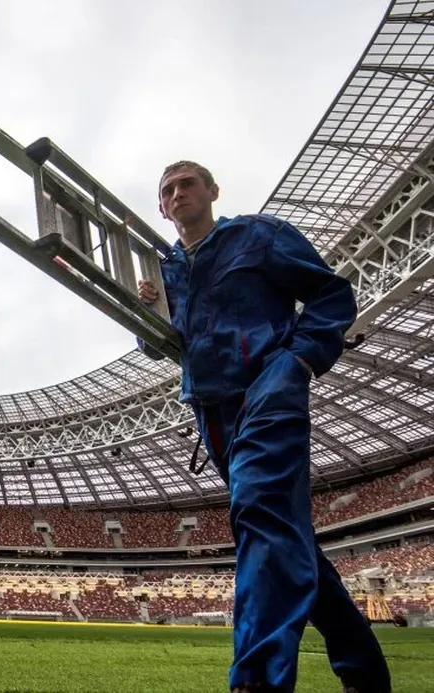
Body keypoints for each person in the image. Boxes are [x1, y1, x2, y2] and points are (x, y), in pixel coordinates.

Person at [136, 161, 391, 693]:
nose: (178, 193)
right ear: (161, 208)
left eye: (187, 183)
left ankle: (256, 680)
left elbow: (330, 294)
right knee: (283, 534)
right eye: (168, 190)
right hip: (211, 410)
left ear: (212, 191)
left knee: (259, 511)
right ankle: (365, 673)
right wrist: (148, 314)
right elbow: (164, 344)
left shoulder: (258, 234)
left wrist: (297, 361)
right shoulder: (167, 272)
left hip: (268, 389)